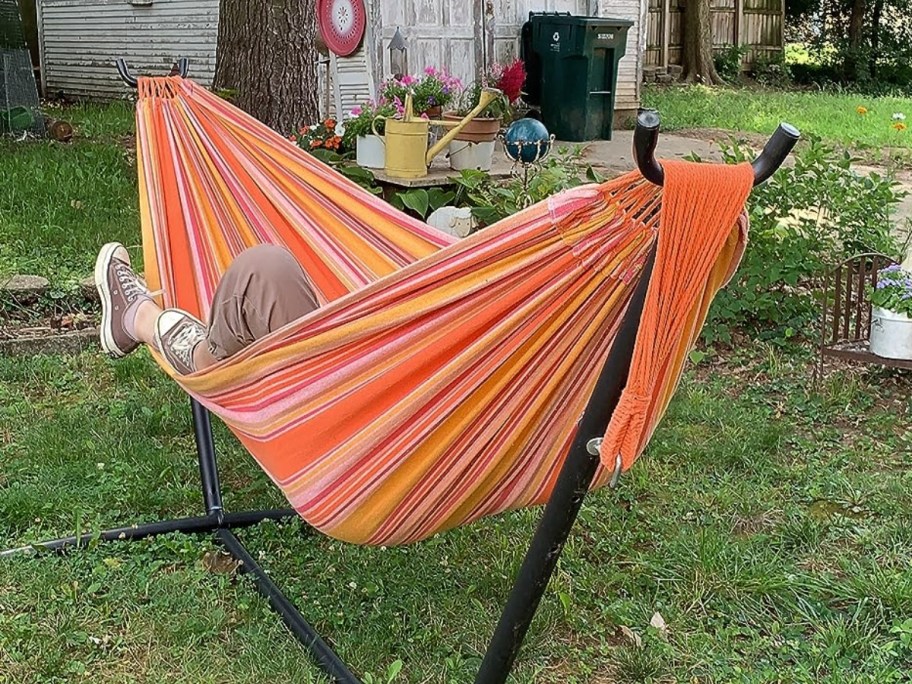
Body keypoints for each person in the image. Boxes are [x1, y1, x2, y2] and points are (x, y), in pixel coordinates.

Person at [94, 242, 319, 375]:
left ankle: (143, 321)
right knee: (268, 269)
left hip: (321, 396)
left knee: (264, 270)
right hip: (333, 372)